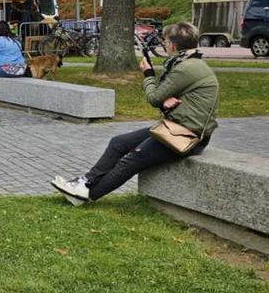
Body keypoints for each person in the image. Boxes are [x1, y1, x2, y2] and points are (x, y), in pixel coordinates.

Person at [52, 22, 219, 205]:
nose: (163, 44)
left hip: (187, 136)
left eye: (164, 41)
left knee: (132, 159)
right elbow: (166, 97)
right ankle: (85, 182)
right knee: (119, 143)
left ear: (171, 44)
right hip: (175, 127)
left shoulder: (187, 68)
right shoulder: (188, 63)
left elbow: (154, 97)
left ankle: (87, 196)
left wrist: (148, 75)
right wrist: (165, 99)